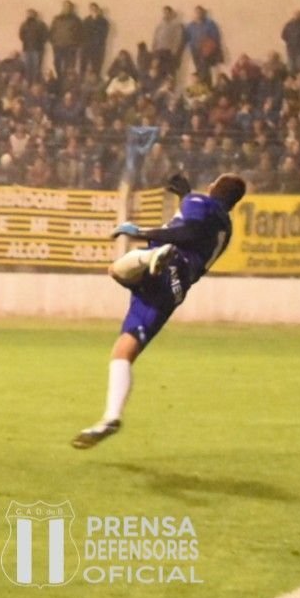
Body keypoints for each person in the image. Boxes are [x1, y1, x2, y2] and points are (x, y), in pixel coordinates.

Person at [71, 172, 246, 449]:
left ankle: (150, 256)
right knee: (124, 350)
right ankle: (111, 417)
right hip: (174, 290)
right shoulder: (225, 226)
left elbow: (188, 232)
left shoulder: (200, 203)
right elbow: (198, 228)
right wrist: (184, 195)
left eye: (212, 182)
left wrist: (141, 232)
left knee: (120, 269)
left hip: (171, 264)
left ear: (215, 187)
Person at [186, 6, 223, 85]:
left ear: (203, 13)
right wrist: (191, 45)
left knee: (205, 70)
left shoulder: (210, 24)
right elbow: (187, 37)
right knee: (198, 69)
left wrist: (209, 47)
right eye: (196, 12)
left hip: (206, 50)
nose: (198, 14)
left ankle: (207, 88)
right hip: (195, 50)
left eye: (200, 12)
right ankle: (200, 87)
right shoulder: (191, 25)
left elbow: (215, 37)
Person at [49, 0, 83, 80]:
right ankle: (60, 79)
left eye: (68, 7)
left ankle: (66, 82)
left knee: (69, 66)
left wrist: (76, 45)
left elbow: (80, 33)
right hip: (58, 46)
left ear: (71, 8)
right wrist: (53, 42)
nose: (66, 8)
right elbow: (51, 31)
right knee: (57, 64)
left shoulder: (76, 20)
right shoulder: (56, 19)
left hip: (70, 47)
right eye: (65, 6)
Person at [19, 9, 48, 86]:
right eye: (28, 14)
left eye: (32, 14)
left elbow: (45, 35)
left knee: (36, 68)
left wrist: (39, 43)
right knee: (27, 68)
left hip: (37, 50)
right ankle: (29, 84)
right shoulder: (24, 24)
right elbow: (21, 35)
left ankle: (35, 84)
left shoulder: (40, 24)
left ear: (35, 15)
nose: (30, 15)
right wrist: (26, 41)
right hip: (27, 49)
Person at [152, 6, 185, 74]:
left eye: (167, 13)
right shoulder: (160, 25)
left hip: (169, 51)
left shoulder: (176, 25)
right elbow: (155, 37)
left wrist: (174, 50)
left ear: (171, 13)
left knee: (169, 71)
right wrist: (154, 49)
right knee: (159, 71)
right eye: (164, 13)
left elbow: (178, 39)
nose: (165, 15)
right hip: (159, 51)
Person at [81, 2, 109, 78]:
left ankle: (96, 79)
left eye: (95, 9)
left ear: (97, 9)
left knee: (96, 65)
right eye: (91, 9)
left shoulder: (103, 21)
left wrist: (98, 41)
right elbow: (83, 33)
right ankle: (82, 79)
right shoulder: (86, 20)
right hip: (87, 46)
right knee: (84, 64)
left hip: (97, 47)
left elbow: (104, 34)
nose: (93, 10)